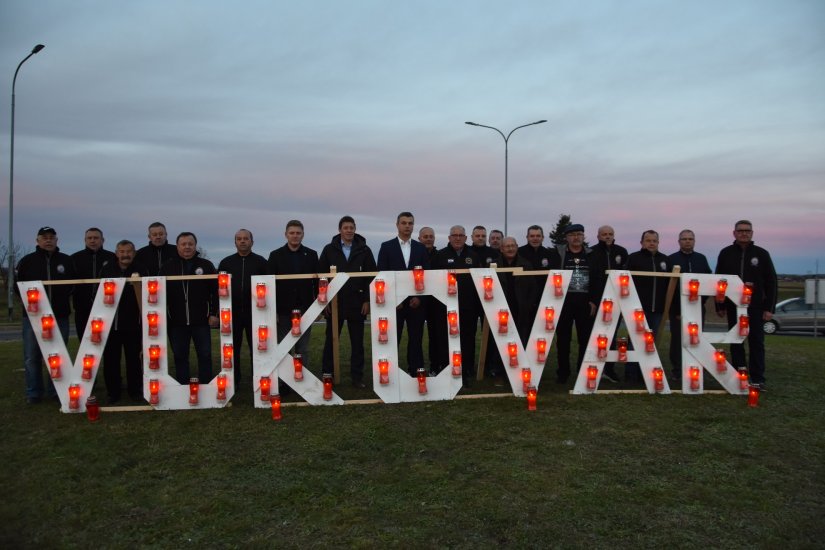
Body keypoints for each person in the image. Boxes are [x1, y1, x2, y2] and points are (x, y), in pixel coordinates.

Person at [16, 226, 76, 404]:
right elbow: (18, 287)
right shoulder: (27, 261)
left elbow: (72, 285)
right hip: (33, 318)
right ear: (38, 240)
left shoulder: (66, 261)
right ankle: (34, 392)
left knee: (58, 355)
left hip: (60, 315)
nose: (48, 240)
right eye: (44, 237)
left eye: (51, 237)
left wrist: (63, 299)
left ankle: (56, 390)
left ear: (57, 240)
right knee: (31, 356)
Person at [715, 220, 777, 389]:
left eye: (747, 231)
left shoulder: (762, 254)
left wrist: (769, 308)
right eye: (740, 230)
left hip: (756, 307)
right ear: (734, 233)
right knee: (736, 342)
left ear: (752, 233)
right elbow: (718, 280)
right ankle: (737, 376)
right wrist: (719, 305)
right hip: (733, 306)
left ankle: (758, 378)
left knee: (756, 342)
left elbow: (771, 282)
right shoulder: (725, 253)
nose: (744, 233)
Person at [318, 216, 376, 387]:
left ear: (355, 229)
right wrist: (325, 302)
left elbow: (371, 276)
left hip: (358, 303)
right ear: (340, 230)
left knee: (357, 343)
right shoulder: (329, 250)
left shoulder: (364, 250)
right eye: (346, 227)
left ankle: (357, 378)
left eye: (352, 227)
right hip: (335, 303)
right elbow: (322, 276)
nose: (349, 230)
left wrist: (367, 300)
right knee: (331, 340)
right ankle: (328, 374)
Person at [159, 232, 218, 384]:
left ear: (195, 245)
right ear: (177, 246)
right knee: (179, 355)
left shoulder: (206, 265)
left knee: (204, 354)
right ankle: (182, 384)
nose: (187, 247)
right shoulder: (167, 267)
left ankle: (205, 383)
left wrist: (213, 313)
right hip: (176, 321)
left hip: (201, 320)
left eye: (190, 244)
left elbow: (215, 292)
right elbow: (160, 294)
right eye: (183, 244)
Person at [376, 212, 430, 376]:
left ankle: (415, 371)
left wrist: (419, 298)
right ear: (397, 225)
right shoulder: (387, 247)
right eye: (404, 223)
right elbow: (382, 274)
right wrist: (393, 299)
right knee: (392, 339)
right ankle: (390, 372)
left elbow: (426, 274)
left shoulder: (421, 248)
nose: (407, 226)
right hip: (395, 303)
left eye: (410, 223)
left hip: (415, 302)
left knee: (416, 338)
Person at [217, 229, 268, 385]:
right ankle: (234, 380)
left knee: (258, 349)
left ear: (252, 241)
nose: (243, 241)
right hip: (232, 314)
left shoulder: (261, 262)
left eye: (246, 238)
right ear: (235, 242)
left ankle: (258, 379)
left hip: (256, 313)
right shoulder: (226, 263)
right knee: (232, 349)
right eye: (239, 239)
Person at [267, 220, 319, 370]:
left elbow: (317, 284)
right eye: (292, 233)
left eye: (298, 233)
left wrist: (317, 308)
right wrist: (273, 310)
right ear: (286, 235)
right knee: (283, 349)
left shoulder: (312, 255)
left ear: (303, 235)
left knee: (302, 349)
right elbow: (270, 284)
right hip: (283, 310)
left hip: (305, 309)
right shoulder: (275, 255)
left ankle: (302, 379)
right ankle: (284, 383)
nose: (295, 236)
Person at [433, 225, 481, 387]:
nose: (458, 238)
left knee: (467, 338)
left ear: (466, 238)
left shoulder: (473, 256)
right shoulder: (440, 256)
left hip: (468, 306)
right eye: (454, 235)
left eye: (461, 235)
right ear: (449, 238)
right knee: (445, 338)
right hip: (445, 306)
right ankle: (446, 368)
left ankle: (466, 369)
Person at [100, 240, 147, 403]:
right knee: (111, 360)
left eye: (128, 251)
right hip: (110, 324)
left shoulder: (141, 269)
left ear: (134, 253)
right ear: (116, 253)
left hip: (133, 323)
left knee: (134, 360)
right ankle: (113, 392)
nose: (125, 255)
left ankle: (135, 391)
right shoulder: (107, 269)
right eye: (122, 251)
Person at [626, 230, 672, 382]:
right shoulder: (633, 258)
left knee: (650, 342)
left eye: (654, 240)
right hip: (638, 308)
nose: (651, 243)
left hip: (658, 309)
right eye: (648, 240)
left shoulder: (665, 260)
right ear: (642, 242)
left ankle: (645, 374)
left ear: (658, 243)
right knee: (634, 341)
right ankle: (631, 374)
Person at [553, 224, 596, 384]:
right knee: (563, 339)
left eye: (579, 234)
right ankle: (563, 372)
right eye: (572, 235)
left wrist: (593, 300)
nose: (576, 237)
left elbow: (597, 279)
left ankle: (582, 371)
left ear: (583, 236)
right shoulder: (558, 254)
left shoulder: (591, 255)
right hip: (564, 303)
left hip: (585, 303)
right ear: (566, 238)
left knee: (585, 339)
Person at [668, 229, 712, 380]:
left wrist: (702, 301)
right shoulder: (671, 259)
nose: (687, 241)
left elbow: (708, 282)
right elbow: (669, 287)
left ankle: (696, 366)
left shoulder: (702, 259)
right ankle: (678, 370)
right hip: (677, 309)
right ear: (679, 241)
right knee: (677, 339)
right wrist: (676, 310)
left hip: (698, 307)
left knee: (697, 339)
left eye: (690, 239)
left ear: (694, 241)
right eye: (684, 239)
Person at [588, 225, 629, 383]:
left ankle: (609, 369)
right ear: (598, 236)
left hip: (616, 302)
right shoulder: (591, 253)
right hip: (596, 301)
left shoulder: (622, 252)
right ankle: (592, 368)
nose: (607, 236)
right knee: (594, 336)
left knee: (611, 336)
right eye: (604, 234)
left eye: (610, 234)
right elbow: (589, 278)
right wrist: (590, 299)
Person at [71, 227, 116, 338]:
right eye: (89, 238)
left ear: (102, 240)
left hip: (108, 308)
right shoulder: (74, 259)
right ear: (85, 240)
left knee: (108, 343)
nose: (92, 240)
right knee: (85, 342)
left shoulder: (113, 258)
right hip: (82, 308)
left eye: (96, 238)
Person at [496, 237, 537, 346]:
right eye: (507, 246)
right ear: (501, 249)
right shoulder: (494, 266)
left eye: (513, 246)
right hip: (500, 310)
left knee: (520, 340)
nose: (510, 249)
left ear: (517, 247)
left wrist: (528, 306)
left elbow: (533, 288)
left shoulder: (526, 265)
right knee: (500, 341)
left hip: (520, 310)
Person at [518, 224, 560, 326]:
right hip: (523, 298)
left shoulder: (551, 255)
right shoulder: (519, 253)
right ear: (527, 237)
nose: (535, 238)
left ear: (542, 237)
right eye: (532, 236)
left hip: (544, 298)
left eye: (538, 236)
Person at [418, 226, 446, 375]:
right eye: (425, 236)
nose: (428, 239)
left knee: (437, 336)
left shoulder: (440, 255)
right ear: (419, 239)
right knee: (416, 336)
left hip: (436, 302)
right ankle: (416, 367)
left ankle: (437, 365)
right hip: (417, 301)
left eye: (431, 236)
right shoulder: (414, 254)